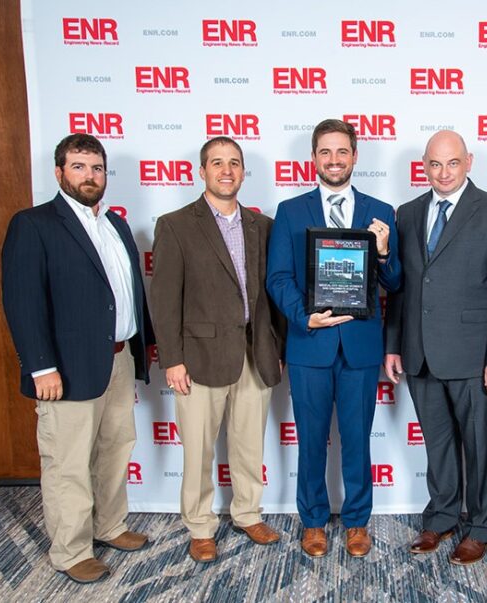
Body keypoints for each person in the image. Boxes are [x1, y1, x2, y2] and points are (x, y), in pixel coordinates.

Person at [1, 134, 154, 583]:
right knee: (68, 461)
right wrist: (40, 365)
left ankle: (109, 526)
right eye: (79, 167)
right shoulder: (34, 224)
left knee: (114, 449)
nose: (90, 176)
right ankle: (70, 551)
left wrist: (143, 343)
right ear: (59, 172)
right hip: (64, 367)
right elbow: (22, 300)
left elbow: (125, 295)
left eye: (97, 168)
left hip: (119, 358)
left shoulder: (116, 225)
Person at [384, 130, 487, 565]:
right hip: (419, 353)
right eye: (434, 164)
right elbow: (402, 288)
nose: (443, 173)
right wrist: (393, 346)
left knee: (481, 447)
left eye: (453, 163)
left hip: (474, 357)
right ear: (424, 166)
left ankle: (481, 527)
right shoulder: (407, 213)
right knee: (438, 444)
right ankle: (441, 517)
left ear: (469, 161)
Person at [267, 119, 401, 558]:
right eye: (325, 152)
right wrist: (306, 317)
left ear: (355, 156)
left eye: (342, 152)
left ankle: (358, 521)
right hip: (310, 346)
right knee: (311, 438)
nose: (334, 160)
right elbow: (279, 278)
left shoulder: (381, 210)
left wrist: (382, 253)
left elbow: (395, 281)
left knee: (358, 439)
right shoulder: (291, 211)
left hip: (360, 347)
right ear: (314, 159)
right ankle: (313, 521)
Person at [150, 136, 286, 564]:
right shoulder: (175, 224)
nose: (226, 170)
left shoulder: (261, 226)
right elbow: (165, 298)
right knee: (199, 449)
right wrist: (172, 358)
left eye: (234, 163)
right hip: (198, 358)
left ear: (244, 172)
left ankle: (247, 512)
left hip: (254, 351)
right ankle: (200, 525)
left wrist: (276, 345)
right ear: (202, 171)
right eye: (217, 163)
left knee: (249, 444)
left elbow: (274, 293)